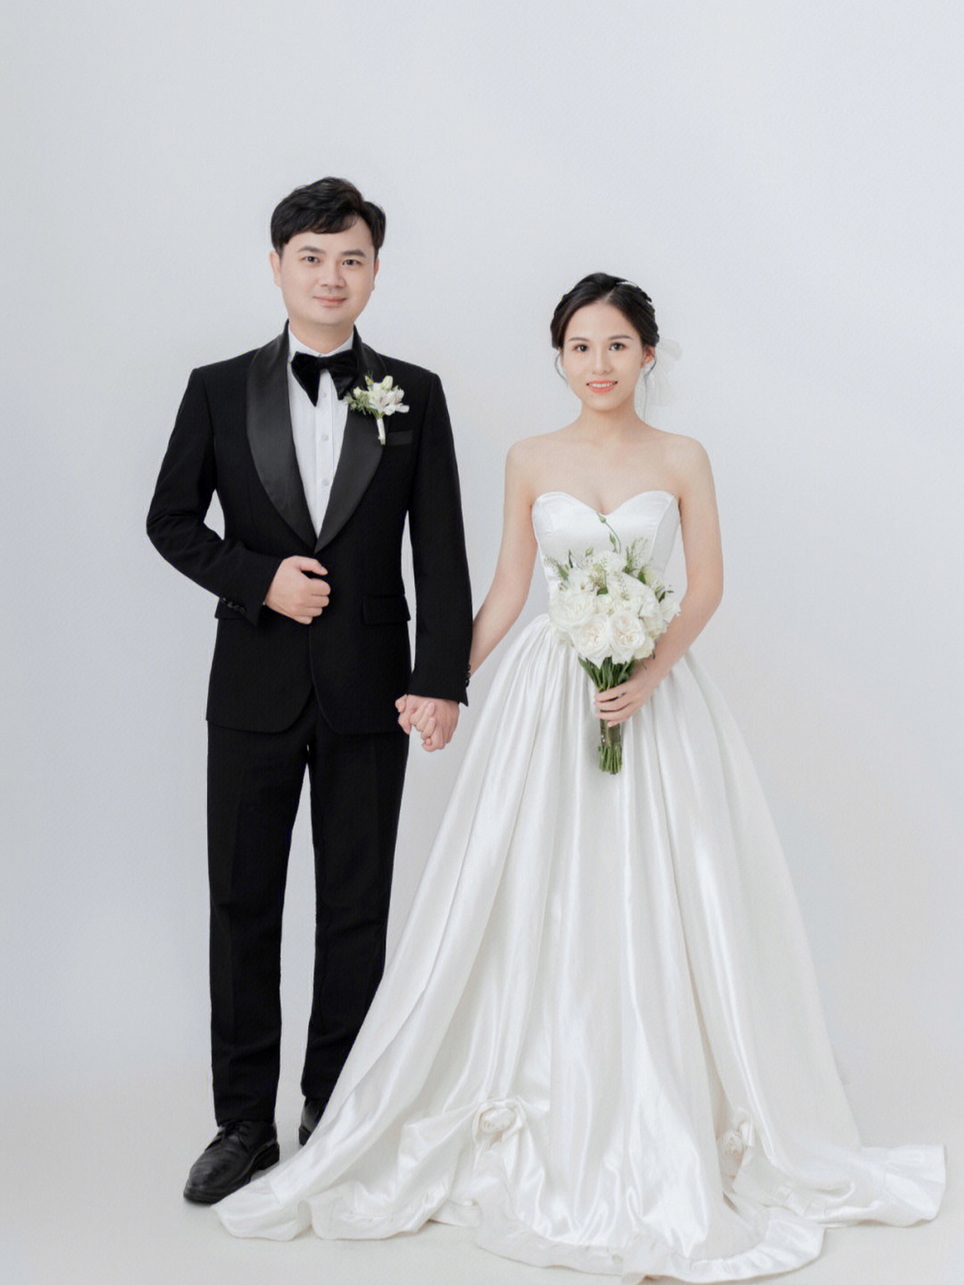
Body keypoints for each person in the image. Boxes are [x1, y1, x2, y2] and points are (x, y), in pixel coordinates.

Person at [215, 274, 944, 1280]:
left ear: (649, 354)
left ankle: (663, 1105)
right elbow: (510, 588)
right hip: (547, 703)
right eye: (579, 347)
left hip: (652, 699)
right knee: (536, 891)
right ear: (558, 358)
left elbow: (705, 585)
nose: (598, 364)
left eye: (616, 346)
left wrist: (648, 671)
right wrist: (444, 684)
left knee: (661, 890)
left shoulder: (682, 457)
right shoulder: (530, 457)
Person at [146, 177, 473, 1205]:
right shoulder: (216, 388)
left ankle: (336, 1111)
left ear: (374, 271)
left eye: (352, 259)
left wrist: (441, 680)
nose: (332, 277)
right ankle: (243, 1123)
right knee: (241, 902)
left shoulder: (414, 391)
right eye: (313, 258)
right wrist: (259, 580)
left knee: (356, 907)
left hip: (373, 691)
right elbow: (170, 520)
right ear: (278, 265)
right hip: (251, 687)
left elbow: (442, 548)